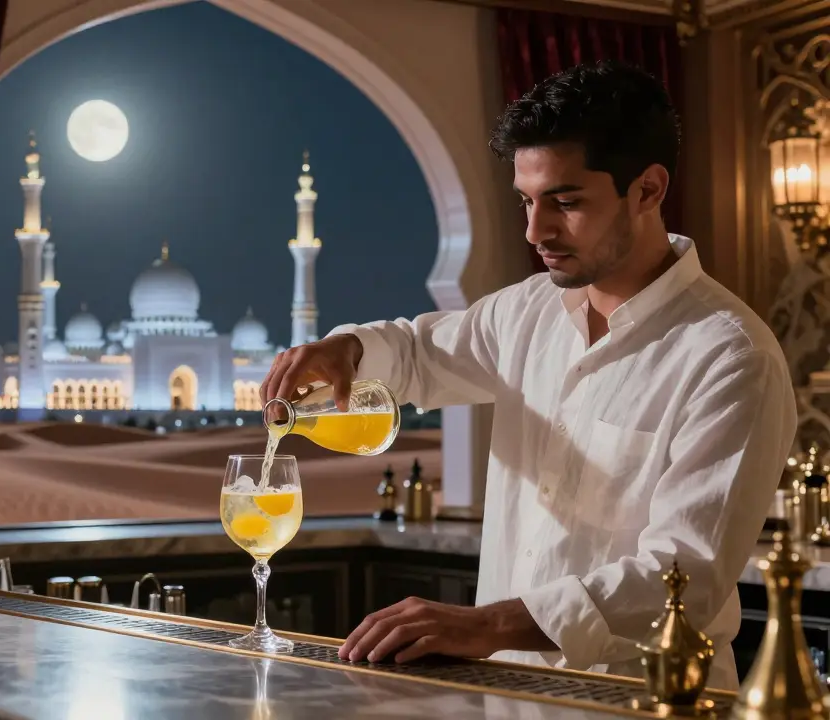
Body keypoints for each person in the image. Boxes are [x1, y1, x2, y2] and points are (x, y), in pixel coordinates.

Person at [259, 59, 796, 689]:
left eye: (565, 202)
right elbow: (416, 352)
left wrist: (482, 627)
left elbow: (683, 576)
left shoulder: (729, 357)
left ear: (648, 190)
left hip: (646, 699)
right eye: (527, 200)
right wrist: (346, 348)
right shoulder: (529, 310)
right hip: (507, 695)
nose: (535, 230)